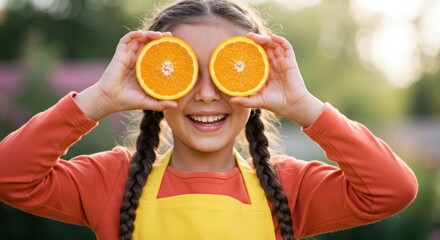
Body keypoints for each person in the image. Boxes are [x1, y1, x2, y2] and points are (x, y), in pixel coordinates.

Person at [0, 0, 418, 240]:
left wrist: (303, 105)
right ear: (154, 79)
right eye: (183, 71)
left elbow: (392, 189)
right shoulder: (112, 181)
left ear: (256, 81)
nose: (204, 93)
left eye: (225, 72)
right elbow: (9, 175)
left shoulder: (289, 188)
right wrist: (98, 98)